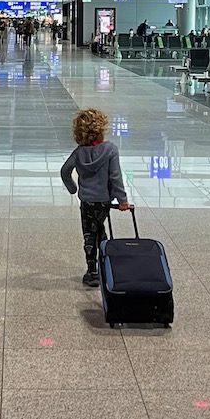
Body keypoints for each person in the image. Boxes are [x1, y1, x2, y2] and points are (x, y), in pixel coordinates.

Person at [59, 107, 131, 288]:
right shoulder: (110, 150)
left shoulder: (78, 153)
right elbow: (116, 177)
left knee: (89, 233)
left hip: (86, 201)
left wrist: (73, 189)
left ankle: (92, 271)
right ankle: (106, 263)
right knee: (101, 229)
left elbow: (65, 172)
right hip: (104, 200)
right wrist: (122, 200)